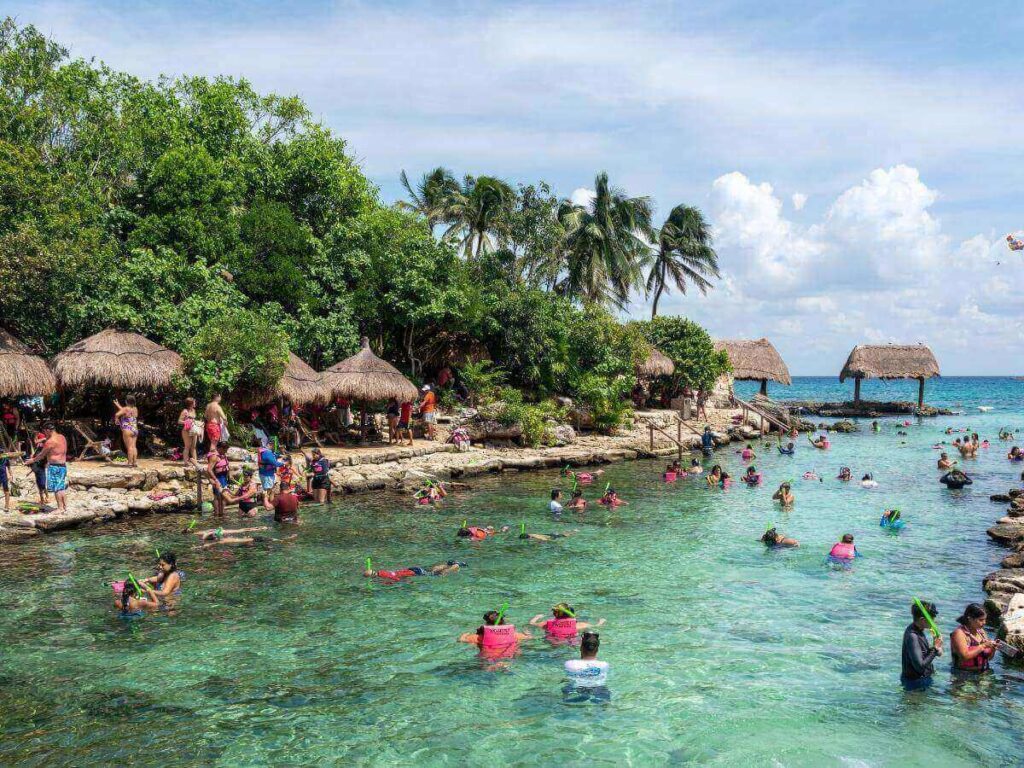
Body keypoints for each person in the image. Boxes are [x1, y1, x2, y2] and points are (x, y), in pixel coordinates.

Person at [26, 423, 68, 512]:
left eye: (44, 431)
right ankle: (65, 507)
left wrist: (32, 460)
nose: (44, 434)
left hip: (55, 466)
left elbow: (41, 455)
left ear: (48, 430)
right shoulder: (62, 437)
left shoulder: (50, 442)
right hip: (63, 465)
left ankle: (60, 508)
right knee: (61, 487)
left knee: (57, 488)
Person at [902, 600, 943, 688]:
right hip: (915, 684)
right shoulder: (913, 636)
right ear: (923, 620)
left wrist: (936, 648)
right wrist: (935, 649)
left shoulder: (919, 630)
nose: (934, 621)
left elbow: (923, 654)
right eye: (932, 619)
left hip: (922, 680)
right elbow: (920, 667)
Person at [458, 610, 532, 659]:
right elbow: (529, 638)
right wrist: (527, 633)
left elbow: (461, 640)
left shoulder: (479, 637)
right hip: (508, 658)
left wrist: (463, 635)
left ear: (486, 623)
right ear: (503, 622)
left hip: (487, 659)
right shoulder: (514, 635)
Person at [950, 603, 998, 673]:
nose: (984, 622)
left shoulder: (981, 632)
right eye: (981, 620)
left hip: (983, 672)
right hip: (963, 674)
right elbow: (965, 656)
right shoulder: (959, 633)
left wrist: (993, 649)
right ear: (970, 619)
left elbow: (988, 658)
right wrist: (983, 645)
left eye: (985, 619)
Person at [564, 631, 610, 701]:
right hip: (598, 688)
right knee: (604, 696)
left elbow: (567, 678)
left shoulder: (569, 664)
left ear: (581, 648)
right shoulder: (604, 664)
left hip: (578, 687)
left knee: (566, 689)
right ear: (597, 649)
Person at [530, 603, 605, 642]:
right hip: (571, 642)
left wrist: (536, 617)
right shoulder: (577, 625)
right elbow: (596, 626)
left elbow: (532, 624)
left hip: (553, 643)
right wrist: (601, 621)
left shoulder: (546, 624)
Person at [364, 561, 465, 581]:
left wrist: (410, 583)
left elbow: (398, 579)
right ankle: (448, 564)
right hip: (412, 569)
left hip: (416, 573)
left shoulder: (385, 577)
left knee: (439, 575)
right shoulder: (382, 572)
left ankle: (456, 565)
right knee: (433, 570)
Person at [205, 441, 231, 515]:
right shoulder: (214, 457)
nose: (226, 451)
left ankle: (222, 513)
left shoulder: (222, 455)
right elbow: (209, 470)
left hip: (224, 478)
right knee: (217, 496)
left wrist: (228, 477)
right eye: (225, 449)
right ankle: (217, 514)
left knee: (224, 496)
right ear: (220, 448)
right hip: (218, 478)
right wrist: (215, 480)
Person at [113, 396, 139, 467]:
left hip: (127, 429)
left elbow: (117, 414)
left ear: (126, 401)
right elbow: (126, 411)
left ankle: (130, 463)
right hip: (135, 429)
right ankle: (135, 462)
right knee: (134, 447)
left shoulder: (125, 409)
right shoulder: (135, 409)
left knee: (129, 447)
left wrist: (116, 419)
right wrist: (117, 404)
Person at [177, 397, 199, 467]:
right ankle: (186, 462)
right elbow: (179, 421)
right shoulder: (185, 411)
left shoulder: (193, 410)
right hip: (186, 430)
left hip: (193, 430)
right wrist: (187, 422)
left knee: (194, 447)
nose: (195, 403)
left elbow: (194, 420)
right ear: (191, 403)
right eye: (194, 402)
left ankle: (195, 462)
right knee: (187, 446)